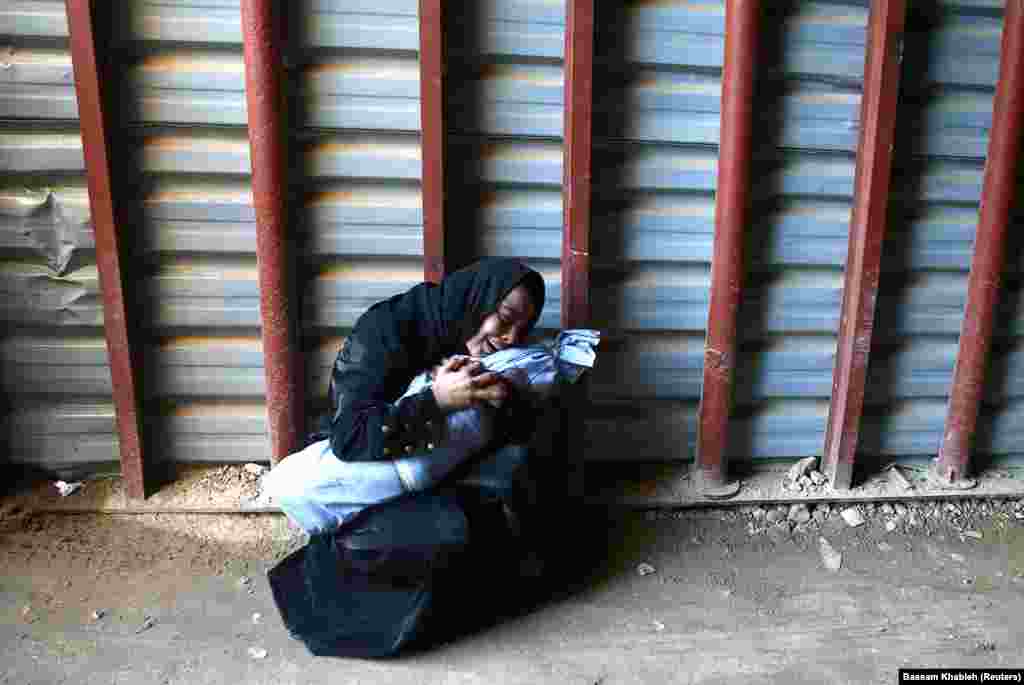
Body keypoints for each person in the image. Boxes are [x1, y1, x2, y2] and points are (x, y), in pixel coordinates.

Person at [264, 257, 550, 535]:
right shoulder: (386, 330)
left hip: (440, 473)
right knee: (448, 530)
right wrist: (437, 401)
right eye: (505, 317)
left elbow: (519, 430)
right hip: (370, 459)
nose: (511, 337)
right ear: (477, 298)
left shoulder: (492, 355)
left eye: (521, 330)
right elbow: (350, 437)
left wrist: (506, 403)